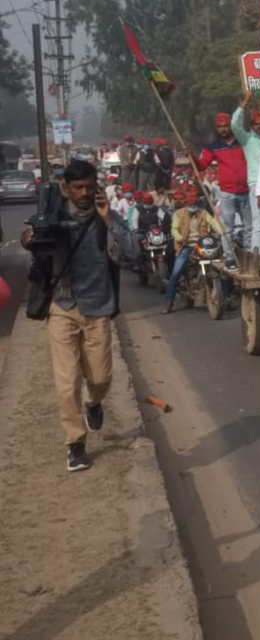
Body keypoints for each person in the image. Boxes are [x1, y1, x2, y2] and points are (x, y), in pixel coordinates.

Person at [20, 159, 139, 472]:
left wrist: (109, 218)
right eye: (78, 188)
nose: (84, 193)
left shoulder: (106, 218)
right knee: (66, 381)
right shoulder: (52, 216)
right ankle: (75, 444)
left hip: (98, 307)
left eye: (89, 186)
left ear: (97, 186)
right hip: (62, 307)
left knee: (100, 378)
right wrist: (30, 239)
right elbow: (34, 243)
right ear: (66, 189)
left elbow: (133, 253)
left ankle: (94, 403)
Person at [194, 111, 249, 267]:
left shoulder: (242, 141)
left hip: (246, 190)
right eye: (220, 127)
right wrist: (190, 155)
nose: (223, 129)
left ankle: (251, 256)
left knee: (250, 227)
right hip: (227, 192)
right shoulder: (213, 147)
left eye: (226, 126)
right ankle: (230, 258)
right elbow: (202, 165)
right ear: (217, 128)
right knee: (228, 229)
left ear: (230, 126)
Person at [164, 187, 224, 313]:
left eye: (194, 204)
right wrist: (180, 239)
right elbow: (173, 230)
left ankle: (226, 297)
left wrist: (223, 233)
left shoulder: (203, 212)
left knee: (220, 267)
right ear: (186, 204)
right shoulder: (178, 214)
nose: (193, 206)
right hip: (185, 246)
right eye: (190, 204)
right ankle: (169, 302)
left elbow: (214, 223)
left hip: (202, 245)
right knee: (175, 273)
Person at [231, 95, 260, 251]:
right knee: (259, 221)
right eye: (256, 124)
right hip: (255, 184)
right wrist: (244, 104)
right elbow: (234, 124)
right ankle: (256, 257)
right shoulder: (246, 139)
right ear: (252, 125)